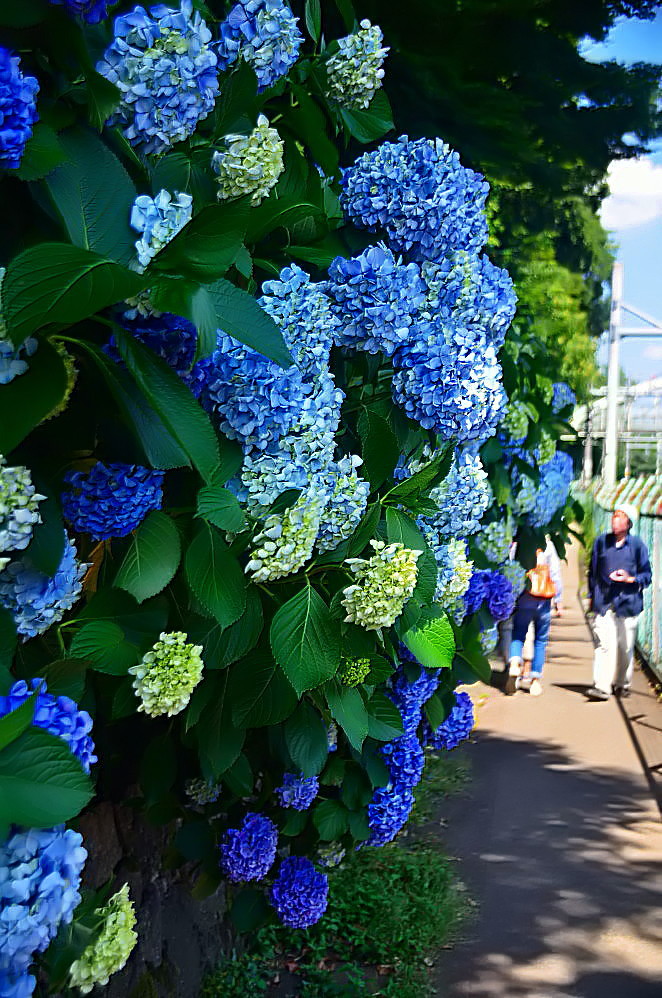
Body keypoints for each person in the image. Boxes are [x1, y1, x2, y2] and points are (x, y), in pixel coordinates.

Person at [586, 503, 652, 701]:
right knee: (604, 645)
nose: (615, 520)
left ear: (629, 523)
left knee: (625, 647)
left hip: (628, 603)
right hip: (604, 602)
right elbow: (593, 572)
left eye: (621, 517)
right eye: (614, 516)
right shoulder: (601, 542)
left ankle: (622, 683)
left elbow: (647, 575)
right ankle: (602, 686)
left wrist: (630, 579)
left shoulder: (637, 546)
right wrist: (592, 597)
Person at [506, 537, 563, 697]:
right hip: (543, 600)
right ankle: (535, 681)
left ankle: (515, 661)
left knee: (517, 635)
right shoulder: (548, 546)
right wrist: (558, 600)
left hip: (524, 598)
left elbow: (511, 569)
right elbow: (555, 573)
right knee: (540, 640)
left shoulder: (519, 544)